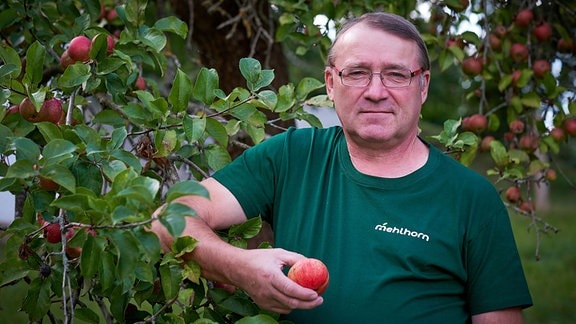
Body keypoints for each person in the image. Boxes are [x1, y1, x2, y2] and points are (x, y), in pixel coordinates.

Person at [152, 12, 533, 323]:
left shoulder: (471, 198)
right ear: (331, 84)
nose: (376, 91)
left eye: (397, 74)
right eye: (357, 73)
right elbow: (169, 218)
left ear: (423, 86)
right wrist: (239, 268)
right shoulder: (291, 156)